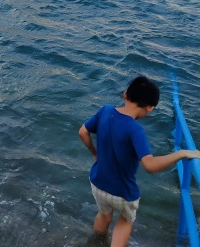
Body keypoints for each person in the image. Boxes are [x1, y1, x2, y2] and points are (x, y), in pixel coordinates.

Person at [79, 75, 200, 247]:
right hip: (123, 192)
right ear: (150, 108)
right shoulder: (135, 129)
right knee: (126, 220)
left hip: (97, 182)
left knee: (104, 215)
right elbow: (149, 165)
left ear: (125, 94)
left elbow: (83, 132)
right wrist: (180, 154)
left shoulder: (105, 110)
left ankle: (96, 241)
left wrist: (95, 153)